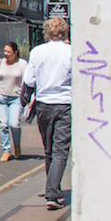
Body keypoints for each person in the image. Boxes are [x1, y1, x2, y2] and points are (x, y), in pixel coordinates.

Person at [23, 18, 72, 210]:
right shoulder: (70, 52)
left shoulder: (37, 52)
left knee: (49, 149)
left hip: (43, 104)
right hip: (65, 103)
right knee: (61, 150)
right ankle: (52, 193)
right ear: (64, 32)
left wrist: (25, 101)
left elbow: (29, 80)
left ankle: (53, 189)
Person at [0, 41, 28, 162]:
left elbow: (27, 81)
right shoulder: (0, 63)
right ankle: (6, 150)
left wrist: (28, 97)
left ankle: (17, 144)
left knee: (14, 124)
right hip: (2, 97)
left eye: (8, 52)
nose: (5, 54)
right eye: (5, 51)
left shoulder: (22, 64)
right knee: (3, 124)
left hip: (16, 98)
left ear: (15, 53)